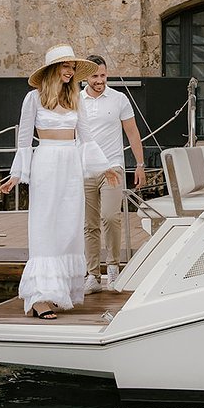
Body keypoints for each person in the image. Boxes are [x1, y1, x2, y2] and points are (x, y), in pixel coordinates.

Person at [1, 44, 121, 320]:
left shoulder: (75, 98)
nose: (70, 72)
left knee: (68, 228)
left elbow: (87, 137)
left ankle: (56, 292)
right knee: (44, 227)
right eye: (65, 66)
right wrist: (16, 174)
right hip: (46, 162)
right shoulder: (33, 99)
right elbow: (23, 141)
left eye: (72, 67)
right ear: (53, 69)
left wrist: (105, 168)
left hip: (70, 165)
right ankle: (39, 297)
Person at [81, 54, 147, 293]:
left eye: (103, 75)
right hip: (85, 168)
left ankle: (113, 267)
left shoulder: (119, 99)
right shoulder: (76, 101)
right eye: (95, 76)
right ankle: (92, 276)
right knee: (89, 225)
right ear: (85, 77)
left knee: (110, 216)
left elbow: (132, 132)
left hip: (113, 167)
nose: (100, 80)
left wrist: (139, 165)